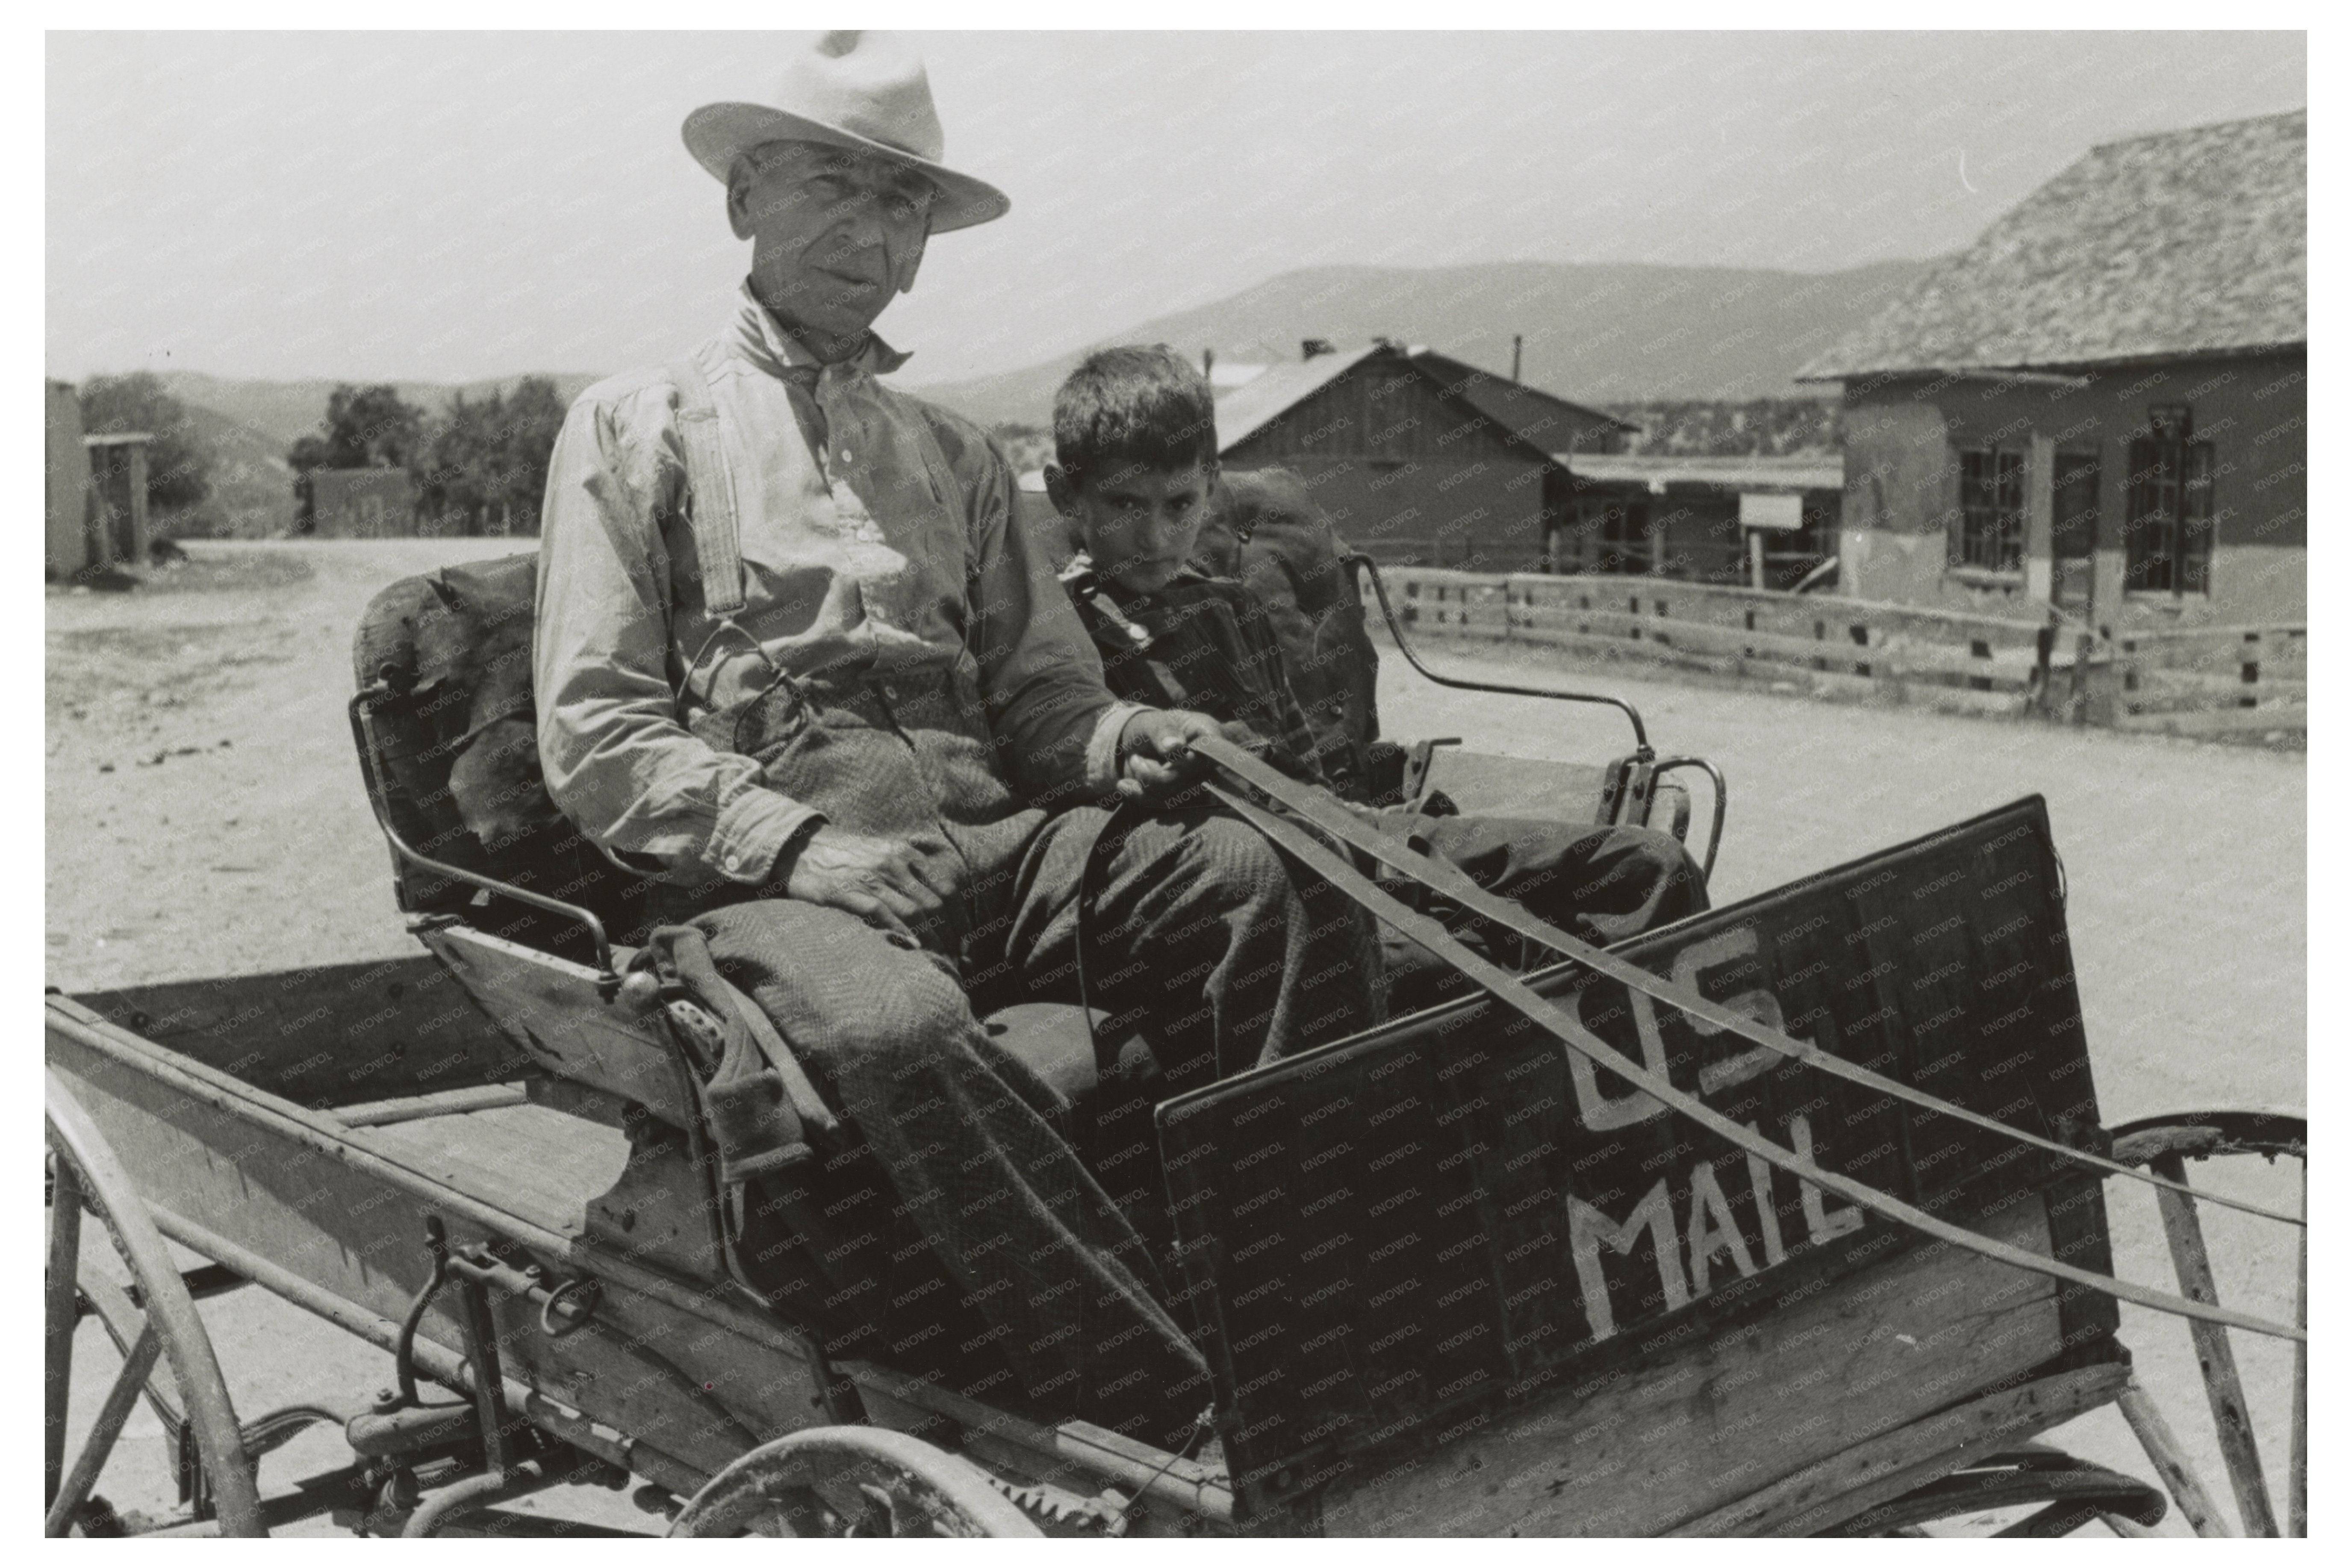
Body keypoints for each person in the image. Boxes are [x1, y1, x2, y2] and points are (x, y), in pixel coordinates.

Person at [531, 35, 1382, 1447]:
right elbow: (596, 727)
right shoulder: (636, 429)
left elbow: (1043, 700)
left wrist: (1127, 731)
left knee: (1255, 877)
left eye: (899, 204)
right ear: (743, 201)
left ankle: (1306, 1320)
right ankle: (1159, 1401)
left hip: (989, 839)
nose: (867, 234)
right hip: (770, 876)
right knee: (893, 1024)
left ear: (926, 247)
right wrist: (805, 846)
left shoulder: (956, 454)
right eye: (827, 188)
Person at [1043, 346, 1710, 1014]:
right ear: (1066, 494)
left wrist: (1394, 848)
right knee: (1454, 960)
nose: (1156, 536)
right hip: (1269, 877)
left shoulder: (1231, 607)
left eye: (1179, 503)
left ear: (1210, 488)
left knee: (1646, 866)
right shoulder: (1052, 635)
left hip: (1359, 834)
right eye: (1125, 504)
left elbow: (1306, 775)